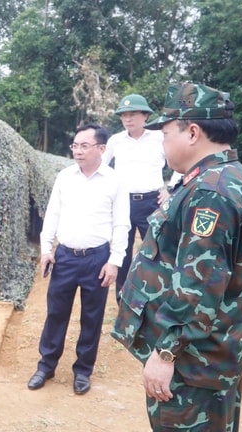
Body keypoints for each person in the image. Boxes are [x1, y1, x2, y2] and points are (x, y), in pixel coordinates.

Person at [111, 82, 242, 432]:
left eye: (166, 132)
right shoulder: (223, 176)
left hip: (192, 367)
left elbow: (199, 287)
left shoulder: (211, 191)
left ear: (192, 132)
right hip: (205, 361)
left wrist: (166, 353)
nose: (161, 143)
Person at [28, 124, 130, 395]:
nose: (78, 151)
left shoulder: (115, 181)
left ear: (101, 148)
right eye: (75, 145)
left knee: (92, 317)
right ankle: (46, 365)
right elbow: (52, 214)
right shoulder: (65, 177)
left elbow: (122, 224)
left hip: (97, 258)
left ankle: (83, 370)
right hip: (65, 257)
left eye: (84, 145)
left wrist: (115, 261)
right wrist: (46, 248)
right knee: (56, 314)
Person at [103, 94, 183, 300]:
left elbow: (180, 162)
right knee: (122, 250)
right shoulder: (115, 141)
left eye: (133, 114)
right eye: (124, 115)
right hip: (123, 203)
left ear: (145, 115)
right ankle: (123, 297)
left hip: (152, 202)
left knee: (157, 248)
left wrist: (170, 189)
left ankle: (156, 295)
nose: (128, 119)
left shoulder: (159, 138)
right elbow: (101, 168)